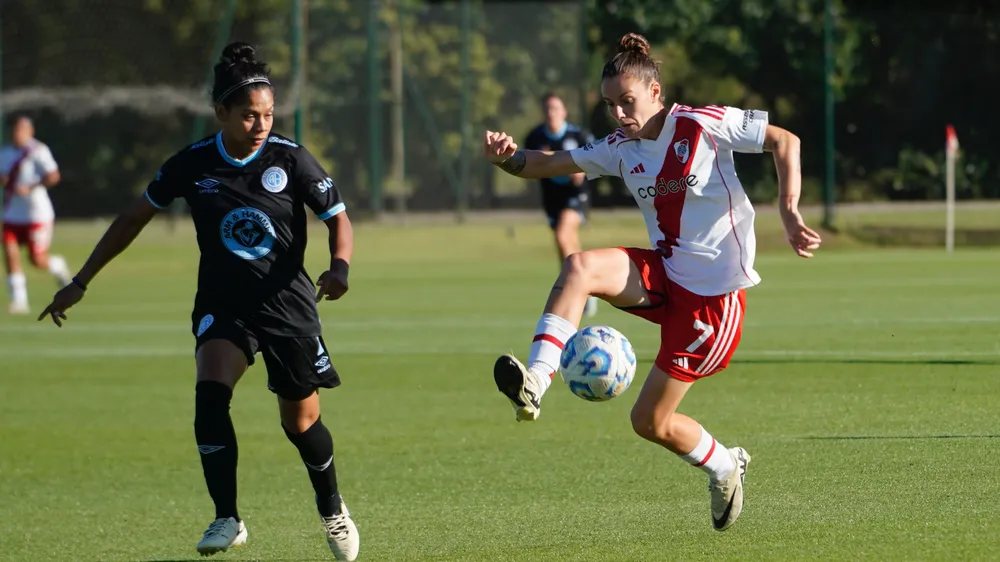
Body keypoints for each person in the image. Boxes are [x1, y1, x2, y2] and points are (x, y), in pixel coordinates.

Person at [483, 33, 822, 532]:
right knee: (579, 266)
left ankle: (725, 465)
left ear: (656, 92)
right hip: (663, 275)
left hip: (712, 301)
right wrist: (508, 158)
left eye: (628, 102)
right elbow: (548, 164)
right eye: (609, 106)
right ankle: (536, 381)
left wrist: (789, 210)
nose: (618, 114)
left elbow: (784, 140)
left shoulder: (702, 123)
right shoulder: (621, 147)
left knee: (649, 423)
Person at [37, 43, 361, 560]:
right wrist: (81, 280)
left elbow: (337, 217)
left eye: (269, 114)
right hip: (223, 304)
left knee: (299, 423)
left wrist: (340, 268)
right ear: (221, 114)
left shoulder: (290, 158)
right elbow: (131, 219)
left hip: (286, 303)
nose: (260, 124)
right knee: (210, 395)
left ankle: (332, 509)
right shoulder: (191, 164)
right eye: (250, 115)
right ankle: (227, 517)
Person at [523, 92, 599, 317]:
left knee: (563, 235)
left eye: (556, 108)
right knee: (566, 245)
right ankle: (584, 287)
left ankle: (579, 290)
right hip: (552, 199)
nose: (551, 113)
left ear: (564, 112)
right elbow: (527, 165)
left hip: (576, 196)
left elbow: (597, 159)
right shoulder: (535, 137)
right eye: (547, 109)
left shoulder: (578, 135)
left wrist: (582, 170)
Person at [0, 114, 72, 314]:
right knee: (10, 253)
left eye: (21, 130)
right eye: (14, 130)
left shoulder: (38, 151)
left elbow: (53, 176)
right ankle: (19, 301)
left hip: (36, 215)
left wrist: (31, 187)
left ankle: (58, 265)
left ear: (30, 132)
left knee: (37, 260)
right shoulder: (4, 153)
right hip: (11, 214)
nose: (17, 134)